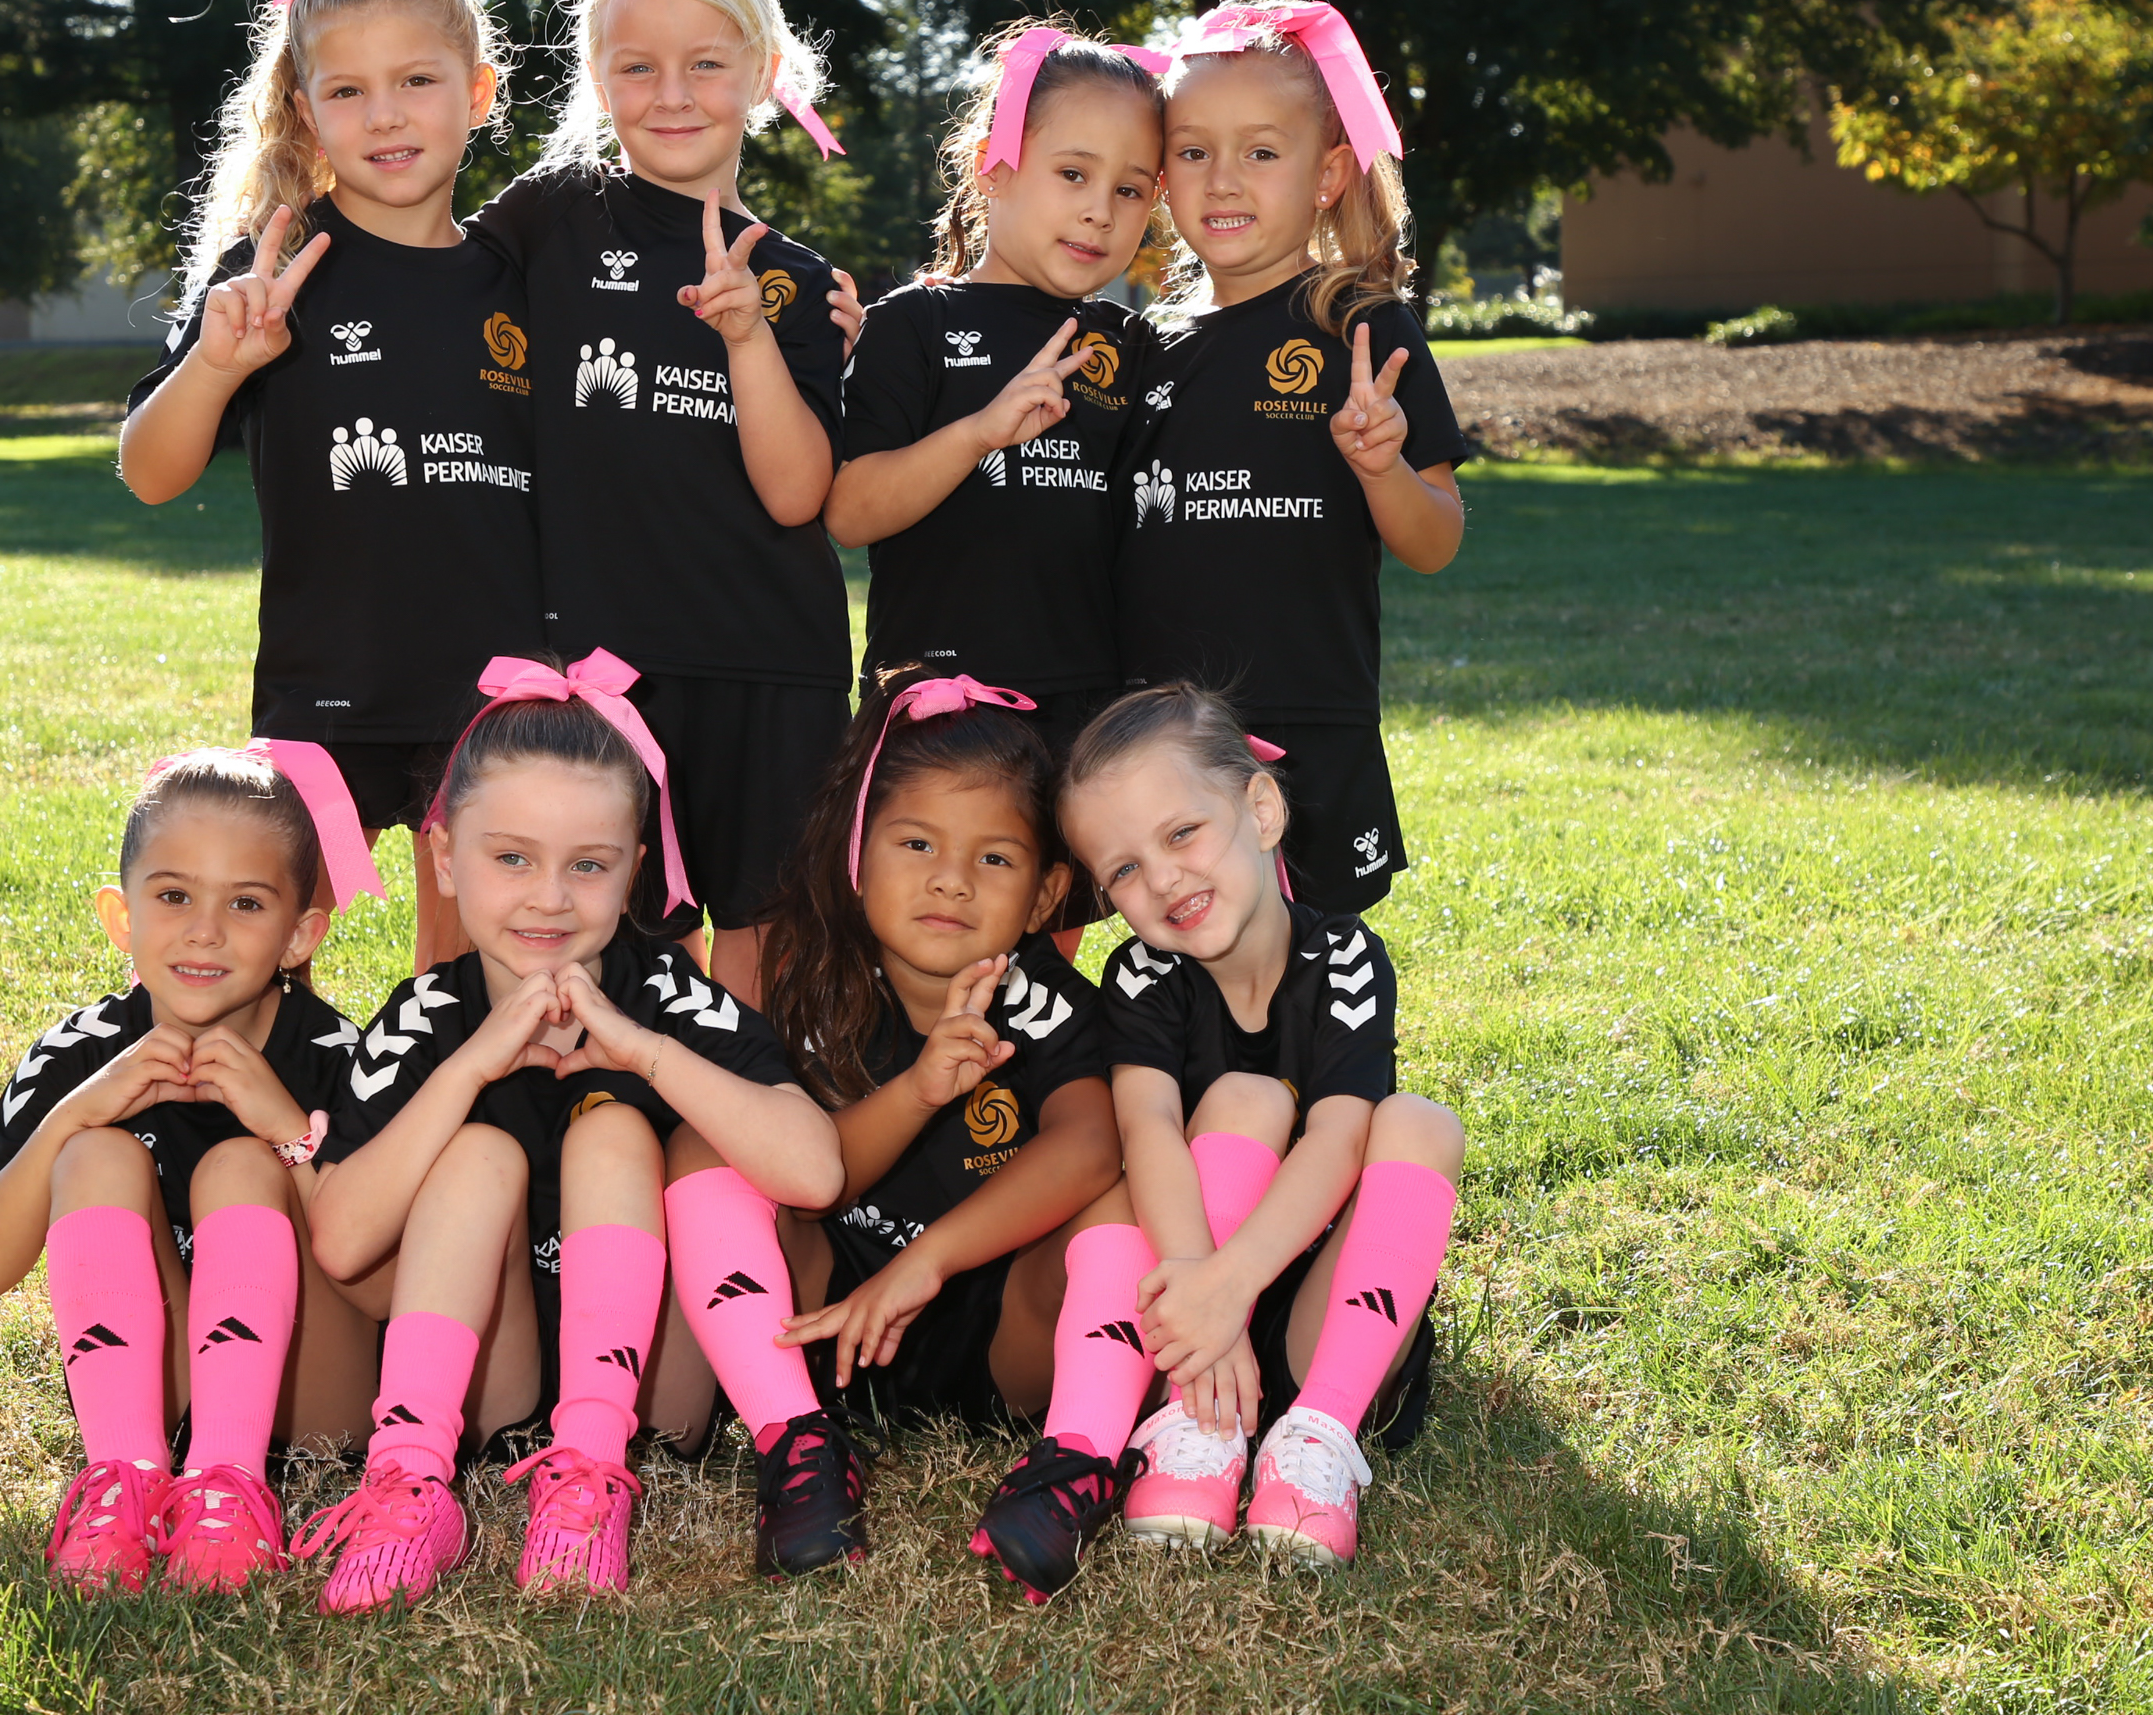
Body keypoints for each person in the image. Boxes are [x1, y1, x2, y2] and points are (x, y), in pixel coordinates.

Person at [299, 652, 861, 1602]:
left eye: (587, 866)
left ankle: (589, 1475)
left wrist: (643, 1051)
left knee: (616, 1130)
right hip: (495, 1379)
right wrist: (472, 1066)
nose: (550, 897)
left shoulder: (665, 992)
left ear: (634, 872)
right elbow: (345, 1240)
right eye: (511, 858)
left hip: (654, 1396)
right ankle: (410, 1479)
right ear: (445, 858)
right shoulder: (426, 1016)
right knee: (477, 1151)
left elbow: (814, 1174)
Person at [120, 0, 535, 968]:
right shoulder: (275, 272)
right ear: (306, 112)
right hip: (327, 682)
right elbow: (150, 472)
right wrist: (217, 364)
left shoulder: (523, 278)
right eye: (347, 90)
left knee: (468, 984)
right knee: (262, 963)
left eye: (415, 81)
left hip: (493, 693)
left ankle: (444, 1081)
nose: (385, 115)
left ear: (478, 91)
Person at [468, 0, 858, 1006]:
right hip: (605, 664)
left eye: (706, 64)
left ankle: (747, 1118)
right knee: (619, 946)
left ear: (764, 72)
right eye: (637, 66)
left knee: (761, 948)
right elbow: (428, 292)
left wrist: (748, 336)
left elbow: (798, 495)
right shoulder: (549, 221)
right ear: (598, 77)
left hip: (768, 661)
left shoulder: (796, 281)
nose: (672, 94)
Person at [757, 666, 1164, 1605]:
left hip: (1004, 1343)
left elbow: (1092, 1148)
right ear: (859, 854)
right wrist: (916, 1091)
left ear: (1045, 894)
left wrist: (928, 1261)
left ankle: (1075, 1453)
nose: (950, 879)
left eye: (995, 859)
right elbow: (810, 1181)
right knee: (734, 1156)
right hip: (834, 1334)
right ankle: (795, 1436)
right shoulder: (819, 987)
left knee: (1131, 1179)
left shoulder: (1045, 1001)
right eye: (916, 843)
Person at [0, 747, 380, 1594]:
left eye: (245, 903)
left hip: (313, 1403)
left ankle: (231, 1482)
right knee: (94, 1151)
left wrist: (288, 1131)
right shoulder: (77, 1054)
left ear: (299, 935)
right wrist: (76, 1114)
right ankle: (125, 1476)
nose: (204, 931)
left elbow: (388, 1287)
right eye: (174, 895)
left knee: (239, 1166)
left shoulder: (339, 1057)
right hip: (160, 1389)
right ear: (122, 916)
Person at [1057, 686, 1465, 1566]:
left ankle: (1318, 1439)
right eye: (1123, 870)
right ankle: (1196, 1427)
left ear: (1262, 810)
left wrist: (1233, 1285)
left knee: (1421, 1123)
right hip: (1189, 1326)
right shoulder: (1141, 976)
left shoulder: (1344, 956)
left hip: (1329, 1323)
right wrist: (1205, 1302)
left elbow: (1341, 1138)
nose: (1162, 879)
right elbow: (1148, 1133)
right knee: (1244, 1099)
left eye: (1182, 834)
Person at [1119, 0, 1467, 912]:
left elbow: (1436, 541)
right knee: (1184, 943)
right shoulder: (1142, 347)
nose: (1223, 181)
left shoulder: (1362, 327)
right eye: (1194, 152)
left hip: (1313, 716)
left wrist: (1382, 468)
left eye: (1262, 153)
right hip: (1167, 734)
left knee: (1314, 953)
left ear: (1328, 173)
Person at [823, 19, 1165, 830]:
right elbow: (850, 511)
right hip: (939, 708)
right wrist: (979, 433)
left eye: (1129, 190)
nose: (1099, 212)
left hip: (1088, 713)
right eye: (1073, 173)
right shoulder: (912, 324)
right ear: (995, 168)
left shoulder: (1132, 347)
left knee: (1059, 899)